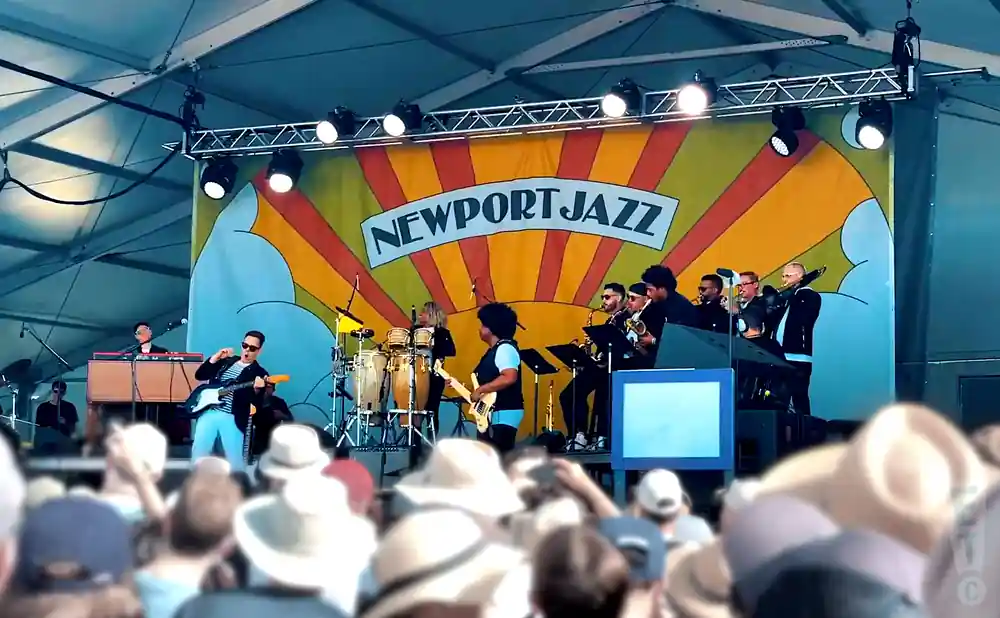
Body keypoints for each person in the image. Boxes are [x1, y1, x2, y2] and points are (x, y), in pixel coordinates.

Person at [560, 283, 628, 450]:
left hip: (611, 369)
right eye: (602, 297)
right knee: (568, 395)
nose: (603, 301)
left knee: (578, 395)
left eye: (607, 297)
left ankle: (583, 435)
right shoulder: (609, 319)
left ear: (619, 298)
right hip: (600, 367)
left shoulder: (624, 319)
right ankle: (578, 433)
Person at [192, 331, 270, 471]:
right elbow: (200, 375)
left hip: (233, 417)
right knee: (199, 453)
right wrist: (215, 358)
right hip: (209, 412)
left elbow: (257, 405)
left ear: (259, 351)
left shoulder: (259, 373)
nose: (247, 350)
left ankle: (238, 483)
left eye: (252, 348)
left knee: (235, 461)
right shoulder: (227, 361)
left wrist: (257, 390)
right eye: (245, 345)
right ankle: (196, 482)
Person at [452, 302, 523, 454]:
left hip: (503, 412)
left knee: (499, 458)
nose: (480, 329)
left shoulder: (505, 349)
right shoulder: (494, 351)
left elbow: (509, 377)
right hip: (492, 413)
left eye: (483, 325)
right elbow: (488, 384)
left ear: (492, 328)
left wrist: (481, 390)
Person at [410, 301, 455, 467]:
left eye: (424, 312)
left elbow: (451, 350)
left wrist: (433, 343)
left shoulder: (442, 333)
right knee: (414, 414)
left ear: (432, 315)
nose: (420, 315)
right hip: (414, 377)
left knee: (431, 412)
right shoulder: (414, 330)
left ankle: (431, 452)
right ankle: (414, 457)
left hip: (434, 378)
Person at [774, 262, 822, 416]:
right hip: (780, 355)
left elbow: (804, 318)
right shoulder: (787, 297)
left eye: (788, 276)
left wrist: (794, 293)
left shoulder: (810, 296)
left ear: (800, 276)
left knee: (799, 398)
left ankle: (804, 428)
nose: (784, 280)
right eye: (783, 276)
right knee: (780, 399)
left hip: (798, 357)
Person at [636, 265, 698, 366]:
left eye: (650, 290)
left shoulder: (682, 308)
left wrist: (653, 341)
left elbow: (680, 343)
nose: (647, 293)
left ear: (661, 288)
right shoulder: (655, 305)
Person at [250, 382, 293, 458]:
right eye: (264, 387)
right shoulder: (252, 402)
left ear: (273, 390)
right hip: (257, 443)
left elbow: (291, 420)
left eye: (269, 387)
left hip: (274, 442)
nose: (266, 389)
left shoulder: (279, 402)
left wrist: (282, 415)